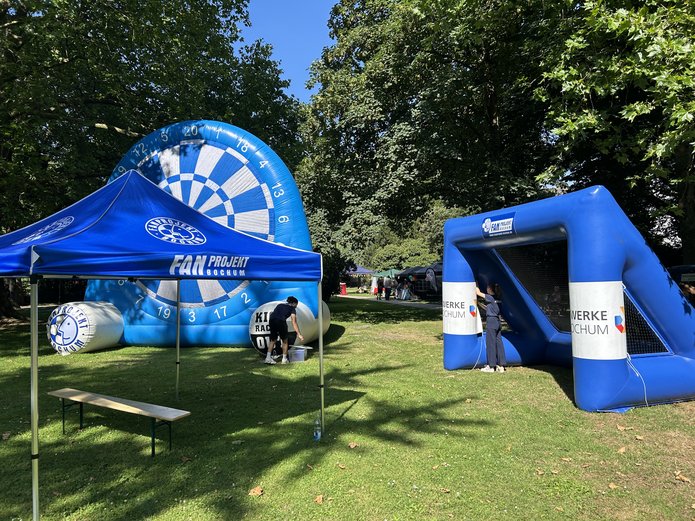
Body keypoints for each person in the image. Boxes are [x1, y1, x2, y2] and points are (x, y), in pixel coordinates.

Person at [265, 296, 305, 365]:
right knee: (285, 341)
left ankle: (268, 358)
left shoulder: (279, 305)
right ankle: (284, 359)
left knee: (273, 340)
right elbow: (294, 322)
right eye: (296, 305)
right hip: (280, 321)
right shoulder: (292, 308)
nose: (296, 306)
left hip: (271, 320)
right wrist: (299, 334)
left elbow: (274, 314)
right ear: (293, 303)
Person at [476, 283, 506, 373]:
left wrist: (475, 283)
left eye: (487, 288)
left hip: (491, 321)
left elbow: (477, 292)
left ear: (489, 289)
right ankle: (501, 366)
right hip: (498, 321)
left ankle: (491, 366)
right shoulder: (498, 298)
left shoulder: (490, 297)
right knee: (499, 343)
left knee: (490, 343)